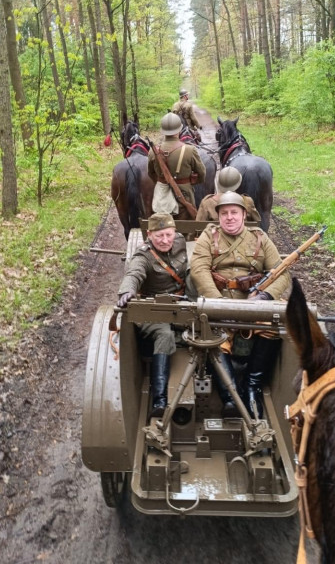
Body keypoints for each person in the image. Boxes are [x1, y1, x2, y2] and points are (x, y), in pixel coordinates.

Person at [190, 191, 291, 418]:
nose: (229, 217)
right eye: (224, 213)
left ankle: (252, 386)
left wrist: (264, 297)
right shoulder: (209, 236)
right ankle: (230, 396)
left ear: (244, 215)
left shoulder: (259, 238)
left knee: (273, 326)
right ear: (218, 216)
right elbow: (199, 270)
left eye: (234, 212)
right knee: (212, 335)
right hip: (219, 303)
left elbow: (281, 273)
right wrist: (217, 303)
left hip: (254, 304)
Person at [117, 213, 189, 416]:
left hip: (183, 305)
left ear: (175, 232)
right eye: (159, 236)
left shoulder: (180, 241)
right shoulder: (144, 256)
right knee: (164, 335)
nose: (165, 240)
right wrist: (127, 291)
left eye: (168, 234)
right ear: (149, 235)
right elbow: (134, 273)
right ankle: (159, 401)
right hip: (155, 309)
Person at [148, 112, 206, 219]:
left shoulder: (153, 151)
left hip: (161, 198)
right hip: (185, 196)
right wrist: (190, 182)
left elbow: (151, 174)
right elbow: (202, 174)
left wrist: (163, 182)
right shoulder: (190, 150)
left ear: (162, 131)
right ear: (180, 130)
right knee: (188, 225)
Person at [196, 166, 261, 224]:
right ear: (238, 183)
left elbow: (198, 226)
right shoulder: (247, 201)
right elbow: (257, 223)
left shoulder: (207, 203)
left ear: (219, 183)